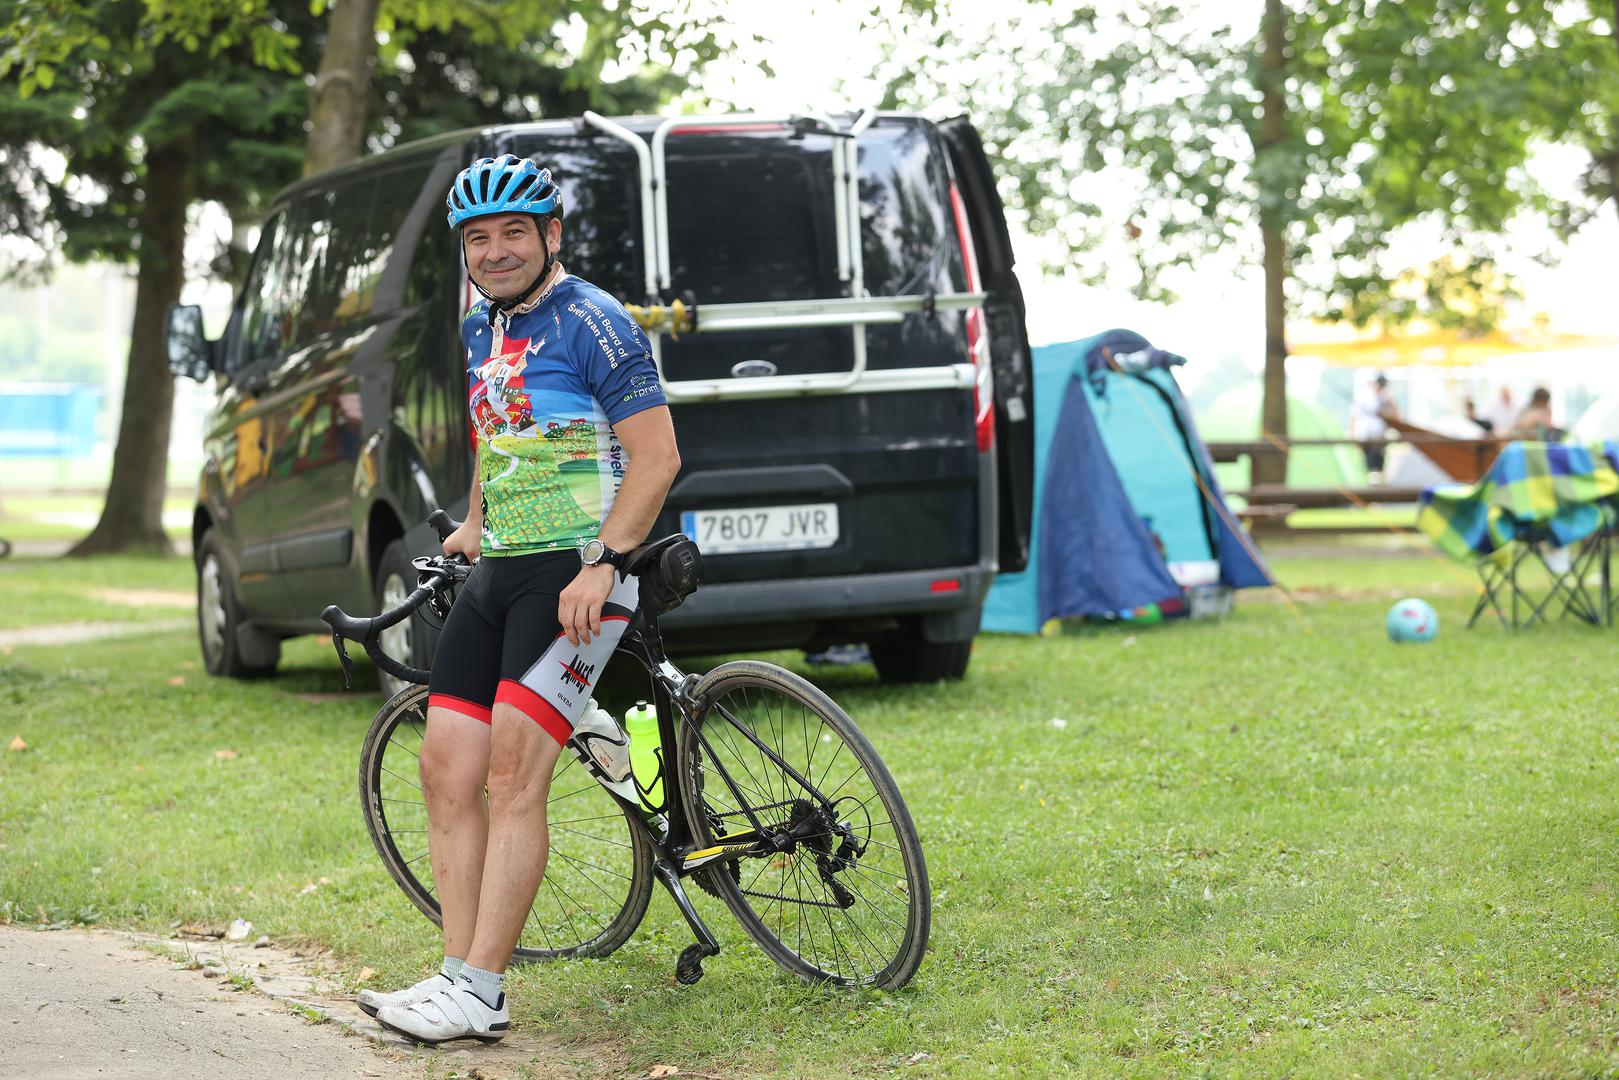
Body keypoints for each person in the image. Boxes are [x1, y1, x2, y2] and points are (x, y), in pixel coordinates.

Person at [359, 155, 680, 1044]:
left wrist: (602, 563)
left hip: (574, 573)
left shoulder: (594, 322)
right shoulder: (481, 325)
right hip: (502, 566)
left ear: (551, 235)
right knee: (444, 769)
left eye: (513, 233)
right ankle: (456, 978)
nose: (495, 251)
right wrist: (472, 520)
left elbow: (656, 458)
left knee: (509, 777)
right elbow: (495, 430)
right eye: (478, 238)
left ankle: (482, 989)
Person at [1349, 373, 1398, 483]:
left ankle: (1376, 484)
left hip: (1380, 437)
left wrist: (1390, 401)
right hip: (1366, 437)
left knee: (1378, 465)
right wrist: (1352, 434)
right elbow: (1353, 417)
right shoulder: (1363, 396)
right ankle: (1371, 484)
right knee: (1369, 466)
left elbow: (1396, 416)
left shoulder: (1386, 398)